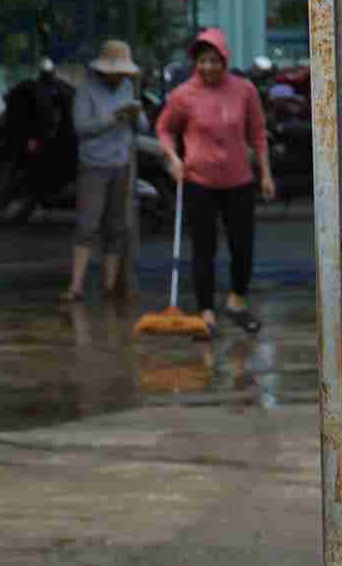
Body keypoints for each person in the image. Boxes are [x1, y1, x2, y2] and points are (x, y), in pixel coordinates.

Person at [157, 26, 275, 336]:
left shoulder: (245, 90)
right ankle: (206, 311)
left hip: (239, 180)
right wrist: (173, 158)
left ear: (224, 60)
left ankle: (236, 301)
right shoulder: (183, 95)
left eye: (214, 61)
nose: (208, 67)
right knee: (203, 249)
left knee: (242, 246)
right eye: (202, 61)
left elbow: (258, 134)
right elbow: (164, 129)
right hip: (199, 181)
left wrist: (266, 173)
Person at [64, 39, 142, 304]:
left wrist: (135, 115)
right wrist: (112, 119)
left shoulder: (128, 87)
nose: (119, 77)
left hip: (120, 163)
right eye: (115, 72)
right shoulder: (86, 89)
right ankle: (76, 287)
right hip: (94, 165)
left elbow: (141, 125)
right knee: (87, 224)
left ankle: (109, 287)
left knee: (115, 227)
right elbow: (81, 127)